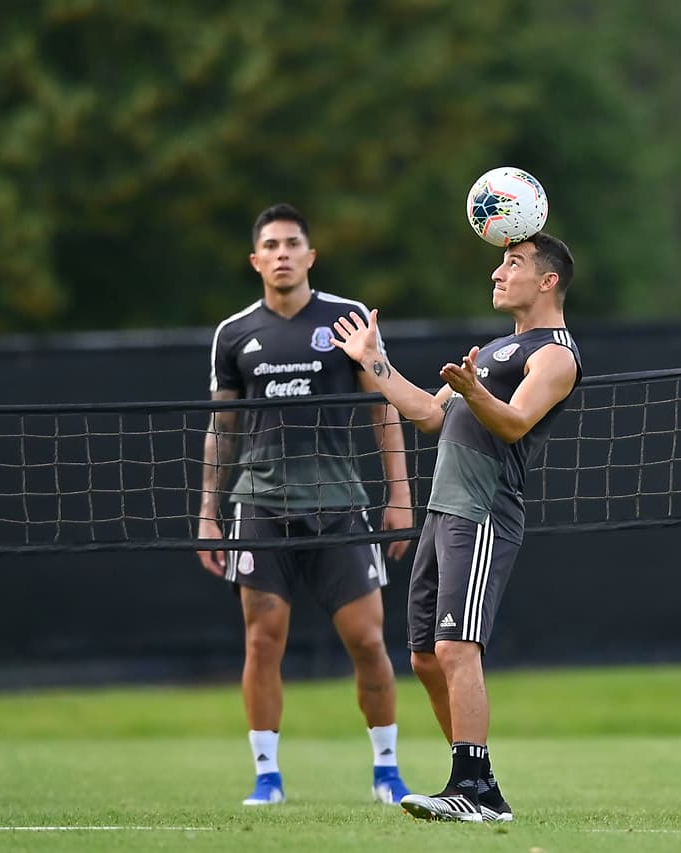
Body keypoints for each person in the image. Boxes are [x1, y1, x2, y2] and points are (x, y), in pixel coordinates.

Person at [331, 232, 582, 823]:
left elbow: (516, 423)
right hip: (443, 513)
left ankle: (470, 787)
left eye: (512, 263)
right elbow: (427, 414)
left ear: (547, 281)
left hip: (483, 511)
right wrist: (373, 360)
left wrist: (473, 391)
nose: (498, 272)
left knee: (455, 647)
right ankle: (481, 783)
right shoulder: (496, 349)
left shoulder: (556, 355)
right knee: (423, 657)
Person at [196, 203, 414, 807]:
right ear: (256, 260)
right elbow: (223, 429)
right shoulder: (233, 334)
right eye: (271, 244)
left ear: (310, 255)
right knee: (263, 640)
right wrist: (208, 513)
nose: (283, 253)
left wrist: (400, 498)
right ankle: (267, 776)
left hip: (340, 504)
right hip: (260, 506)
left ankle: (387, 770)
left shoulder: (347, 320)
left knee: (368, 641)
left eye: (293, 242)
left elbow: (383, 406)